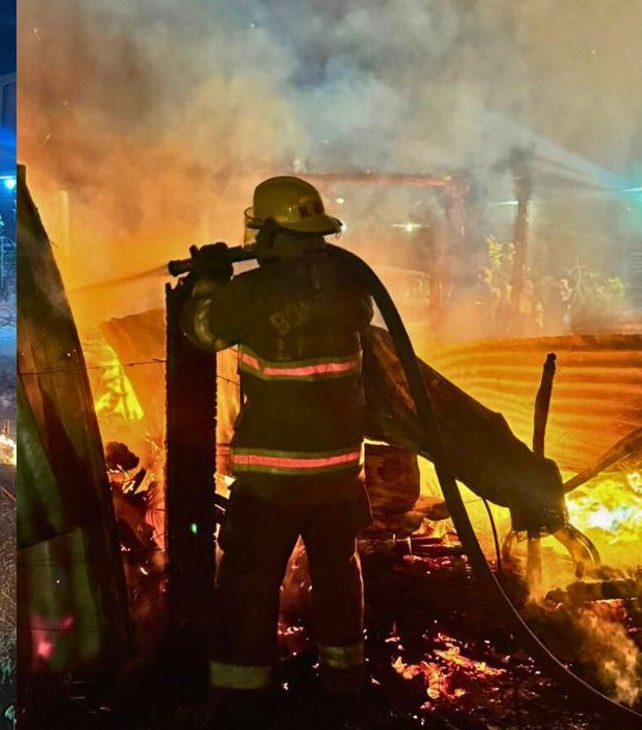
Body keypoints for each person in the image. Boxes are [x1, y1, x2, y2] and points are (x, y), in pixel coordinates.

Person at [179, 176, 373, 726]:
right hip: (339, 471)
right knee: (338, 575)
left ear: (268, 231)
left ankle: (242, 700)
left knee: (247, 582)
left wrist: (211, 281)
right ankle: (343, 687)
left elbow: (202, 330)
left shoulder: (252, 292)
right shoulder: (350, 285)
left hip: (272, 479)